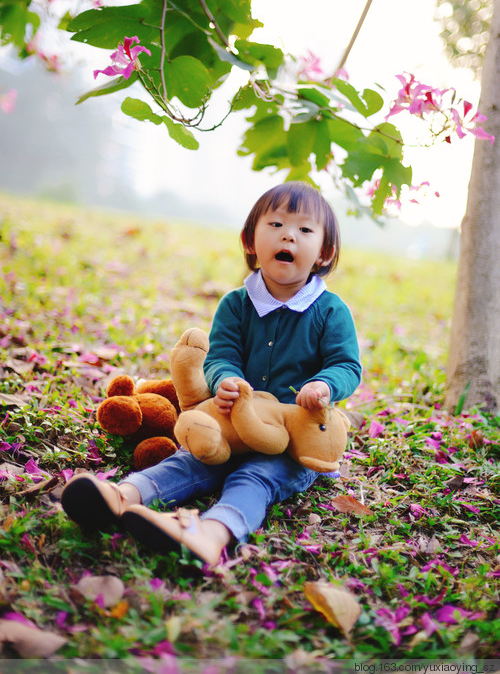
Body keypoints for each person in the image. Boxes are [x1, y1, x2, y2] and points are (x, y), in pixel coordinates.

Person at [61, 182, 362, 566]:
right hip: (231, 422)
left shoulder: (330, 311)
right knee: (191, 460)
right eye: (276, 224)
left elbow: (347, 365)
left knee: (255, 478)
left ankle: (210, 533)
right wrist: (225, 380)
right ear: (250, 240)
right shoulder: (236, 304)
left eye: (305, 230)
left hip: (290, 439)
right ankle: (122, 496)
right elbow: (220, 356)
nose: (289, 235)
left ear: (324, 252)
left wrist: (323, 385)